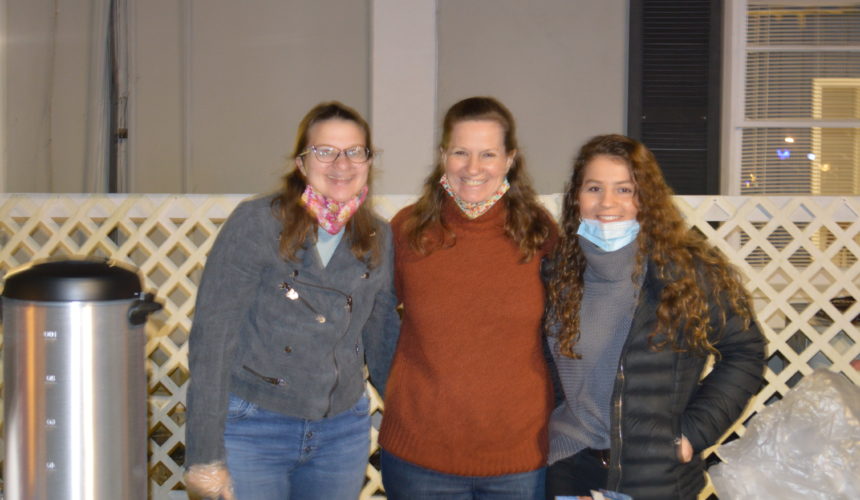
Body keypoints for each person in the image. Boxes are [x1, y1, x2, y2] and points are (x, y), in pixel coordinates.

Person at [183, 101, 400, 500]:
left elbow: (383, 338)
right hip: (254, 425)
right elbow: (212, 340)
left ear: (368, 161)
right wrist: (203, 455)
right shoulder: (257, 223)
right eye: (325, 151)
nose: (341, 163)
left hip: (341, 431)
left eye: (355, 151)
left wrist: (409, 418)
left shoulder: (379, 238)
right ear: (302, 163)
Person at [543, 134, 766, 500]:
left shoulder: (689, 274)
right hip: (570, 470)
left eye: (625, 189)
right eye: (594, 188)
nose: (607, 203)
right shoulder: (556, 274)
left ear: (646, 198)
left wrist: (694, 433)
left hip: (656, 478)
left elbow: (745, 352)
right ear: (575, 198)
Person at [378, 96, 558, 500]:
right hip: (419, 459)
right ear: (443, 155)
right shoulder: (408, 230)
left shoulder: (539, 232)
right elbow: (374, 319)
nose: (473, 168)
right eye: (461, 152)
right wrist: (401, 384)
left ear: (510, 159)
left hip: (519, 461)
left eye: (488, 154)